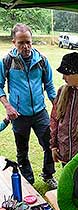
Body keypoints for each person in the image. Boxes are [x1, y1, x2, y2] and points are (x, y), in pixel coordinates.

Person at [0, 23, 57, 188]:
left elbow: (50, 85)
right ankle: (27, 179)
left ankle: (48, 175)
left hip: (40, 113)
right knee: (22, 150)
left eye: (28, 42)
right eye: (21, 43)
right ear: (14, 42)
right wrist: (8, 106)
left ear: (32, 41)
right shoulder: (7, 61)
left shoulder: (42, 60)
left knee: (49, 144)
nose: (25, 46)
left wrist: (56, 104)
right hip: (18, 114)